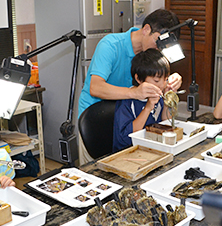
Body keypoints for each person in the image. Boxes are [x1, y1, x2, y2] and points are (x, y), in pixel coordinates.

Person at [77, 8, 183, 162]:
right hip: (96, 120)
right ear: (146, 29)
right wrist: (135, 92)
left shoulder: (152, 51)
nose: (159, 48)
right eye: (158, 41)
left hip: (131, 118)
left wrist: (171, 80)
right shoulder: (110, 45)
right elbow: (96, 88)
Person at [112, 49, 172, 152]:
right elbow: (126, 138)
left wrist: (167, 100)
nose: (162, 85)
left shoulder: (158, 95)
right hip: (128, 153)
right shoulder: (127, 101)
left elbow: (167, 124)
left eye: (166, 79)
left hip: (151, 148)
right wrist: (148, 108)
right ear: (139, 79)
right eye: (156, 80)